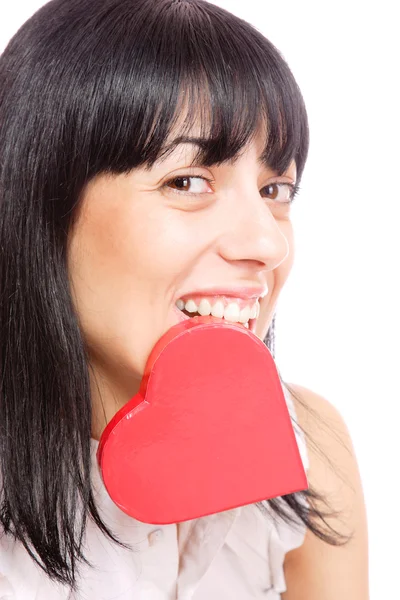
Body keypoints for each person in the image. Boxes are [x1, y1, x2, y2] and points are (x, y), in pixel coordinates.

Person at [0, 0, 369, 598]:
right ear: (39, 204)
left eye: (276, 189)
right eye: (188, 181)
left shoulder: (310, 448)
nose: (266, 243)